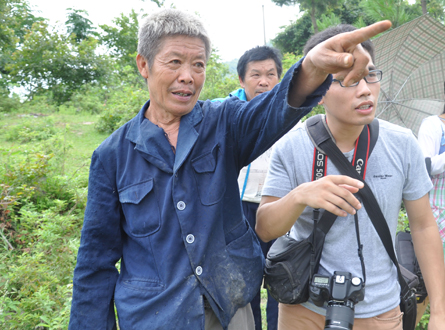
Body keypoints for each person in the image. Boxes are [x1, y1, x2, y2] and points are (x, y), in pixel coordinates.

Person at [68, 8, 392, 330]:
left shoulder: (224, 122)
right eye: (175, 62)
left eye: (198, 65)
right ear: (144, 64)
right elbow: (95, 264)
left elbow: (271, 111)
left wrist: (312, 68)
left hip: (229, 310)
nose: (188, 76)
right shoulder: (112, 155)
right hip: (155, 317)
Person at [256, 24, 445, 330]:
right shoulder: (291, 147)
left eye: (370, 75)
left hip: (380, 310)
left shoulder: (402, 143)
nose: (365, 89)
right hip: (305, 308)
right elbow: (265, 228)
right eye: (348, 80)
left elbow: (423, 226)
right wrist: (300, 196)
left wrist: (439, 310)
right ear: (317, 92)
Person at [214, 45, 283, 330]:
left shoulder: (289, 116)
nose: (264, 81)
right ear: (242, 80)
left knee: (282, 276)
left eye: (270, 74)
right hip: (238, 209)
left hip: (280, 206)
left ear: (280, 79)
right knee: (245, 278)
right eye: (255, 75)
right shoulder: (225, 114)